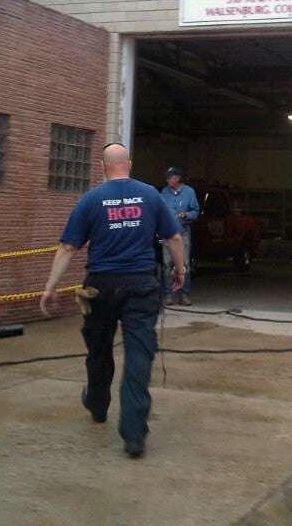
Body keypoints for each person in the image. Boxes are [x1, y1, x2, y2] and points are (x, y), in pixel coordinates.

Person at [40, 143, 185, 459]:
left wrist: (50, 287)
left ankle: (97, 403)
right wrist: (180, 269)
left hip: (99, 286)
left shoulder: (91, 199)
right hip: (142, 284)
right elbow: (173, 237)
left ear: (103, 166)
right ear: (129, 165)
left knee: (98, 346)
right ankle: (133, 434)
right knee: (138, 353)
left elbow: (68, 248)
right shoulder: (150, 195)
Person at [159, 166, 200, 306]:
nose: (167, 179)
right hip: (167, 234)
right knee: (167, 264)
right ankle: (168, 294)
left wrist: (186, 215)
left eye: (169, 177)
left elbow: (196, 211)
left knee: (185, 264)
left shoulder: (189, 192)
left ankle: (185, 295)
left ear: (177, 178)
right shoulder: (164, 192)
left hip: (183, 232)